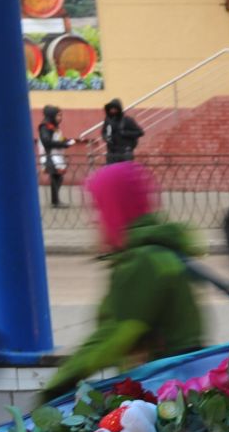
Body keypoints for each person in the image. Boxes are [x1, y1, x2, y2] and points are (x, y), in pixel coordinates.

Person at [39, 162, 203, 401]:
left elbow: (115, 333)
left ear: (117, 208)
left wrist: (57, 385)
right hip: (175, 387)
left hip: (165, 394)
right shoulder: (156, 253)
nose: (93, 220)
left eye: (98, 208)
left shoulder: (143, 261)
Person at [37, 105, 70, 207]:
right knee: (56, 177)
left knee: (58, 177)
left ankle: (55, 201)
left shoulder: (54, 126)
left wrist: (66, 141)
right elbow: (47, 142)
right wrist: (62, 144)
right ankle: (55, 202)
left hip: (56, 155)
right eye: (58, 115)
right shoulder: (45, 126)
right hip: (49, 155)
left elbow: (57, 138)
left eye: (61, 115)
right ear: (52, 115)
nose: (60, 118)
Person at [100, 98, 144, 164]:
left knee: (125, 173)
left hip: (125, 153)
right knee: (111, 173)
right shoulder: (108, 120)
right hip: (112, 153)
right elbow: (104, 132)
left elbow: (140, 132)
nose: (113, 110)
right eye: (111, 109)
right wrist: (106, 137)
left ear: (119, 109)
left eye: (114, 108)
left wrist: (125, 133)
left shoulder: (127, 120)